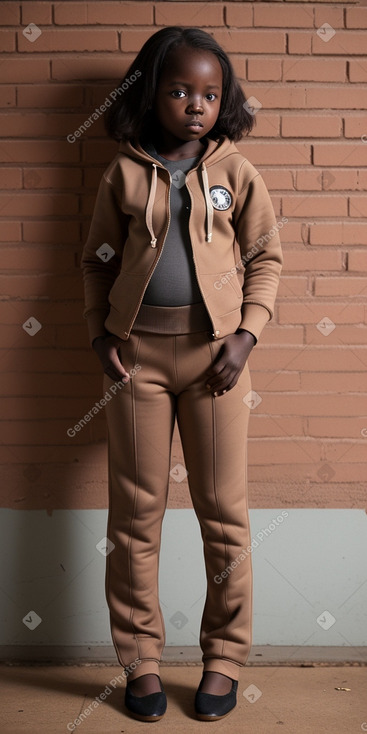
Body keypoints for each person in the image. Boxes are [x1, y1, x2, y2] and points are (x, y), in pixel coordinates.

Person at [81, 26, 283, 723]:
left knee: (223, 514)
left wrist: (247, 335)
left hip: (216, 363)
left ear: (221, 101)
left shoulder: (236, 172)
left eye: (209, 93)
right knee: (135, 515)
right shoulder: (123, 173)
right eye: (178, 91)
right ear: (150, 94)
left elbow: (266, 259)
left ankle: (223, 660)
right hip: (136, 359)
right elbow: (97, 260)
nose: (195, 104)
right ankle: (139, 661)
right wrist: (97, 335)